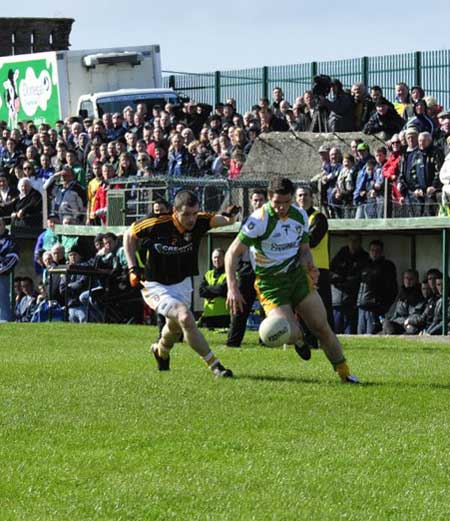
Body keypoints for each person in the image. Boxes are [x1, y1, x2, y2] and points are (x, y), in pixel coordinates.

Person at [225, 176, 358, 384]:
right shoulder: (258, 220)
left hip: (297, 277)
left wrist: (311, 267)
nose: (282, 207)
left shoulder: (300, 216)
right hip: (271, 285)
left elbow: (304, 250)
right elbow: (232, 253)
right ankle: (298, 338)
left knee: (322, 327)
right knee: (287, 330)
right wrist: (232, 288)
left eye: (286, 202)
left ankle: (345, 373)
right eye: (277, 203)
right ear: (269, 198)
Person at [123, 190, 239, 377]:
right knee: (185, 317)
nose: (191, 219)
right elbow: (129, 235)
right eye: (186, 214)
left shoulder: (200, 221)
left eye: (194, 213)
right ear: (174, 212)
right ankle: (216, 366)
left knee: (174, 326)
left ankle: (161, 351)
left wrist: (232, 216)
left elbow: (225, 221)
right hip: (155, 284)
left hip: (182, 283)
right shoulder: (157, 223)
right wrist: (132, 267)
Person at [296, 185, 334, 356]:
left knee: (323, 308)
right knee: (303, 307)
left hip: (319, 270)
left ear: (312, 198)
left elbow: (311, 241)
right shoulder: (295, 219)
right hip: (301, 270)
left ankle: (330, 342)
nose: (302, 198)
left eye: (305, 195)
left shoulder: (318, 218)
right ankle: (309, 342)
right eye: (299, 196)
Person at [226, 189, 266, 347]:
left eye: (261, 200)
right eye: (255, 200)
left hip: (264, 268)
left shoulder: (270, 220)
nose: (258, 203)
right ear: (251, 201)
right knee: (240, 306)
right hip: (247, 267)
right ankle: (233, 341)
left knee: (266, 306)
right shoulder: (247, 221)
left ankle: (267, 340)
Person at [330, 234, 370, 334]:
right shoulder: (342, 253)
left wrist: (343, 279)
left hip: (352, 301)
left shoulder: (364, 257)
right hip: (337, 299)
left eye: (356, 240)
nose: (353, 243)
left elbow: (359, 278)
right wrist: (340, 278)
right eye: (351, 240)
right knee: (336, 332)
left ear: (360, 242)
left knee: (350, 332)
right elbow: (331, 272)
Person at [356, 240, 397, 334]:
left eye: (377, 251)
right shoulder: (364, 265)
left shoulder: (387, 266)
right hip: (361, 307)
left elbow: (392, 289)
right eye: (372, 250)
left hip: (374, 308)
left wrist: (383, 307)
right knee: (360, 335)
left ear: (382, 252)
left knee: (372, 335)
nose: (374, 253)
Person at [198, 248, 229, 329]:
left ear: (224, 258)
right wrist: (217, 289)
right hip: (208, 315)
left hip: (224, 315)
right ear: (212, 259)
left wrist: (208, 289)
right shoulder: (208, 274)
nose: (217, 259)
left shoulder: (229, 273)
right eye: (215, 257)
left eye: (219, 257)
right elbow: (201, 291)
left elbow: (223, 290)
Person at [0, 217, 19, 321]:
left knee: (3, 302)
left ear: (4, 226)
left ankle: (4, 322)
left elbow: (13, 258)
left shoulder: (10, 240)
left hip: (2, 276)